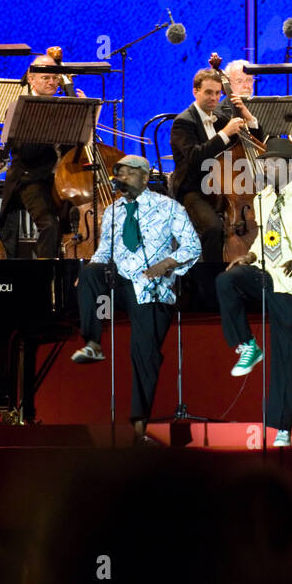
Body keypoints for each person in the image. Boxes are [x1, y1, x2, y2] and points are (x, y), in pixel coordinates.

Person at [70, 155, 201, 444]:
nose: (121, 179)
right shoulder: (114, 211)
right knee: (90, 274)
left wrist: (165, 265)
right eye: (118, 175)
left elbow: (193, 247)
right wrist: (91, 269)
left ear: (144, 177)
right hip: (119, 283)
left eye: (128, 174)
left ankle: (140, 424)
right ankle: (93, 343)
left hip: (151, 286)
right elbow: (105, 250)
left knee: (144, 355)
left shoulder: (168, 208)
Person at [216, 139, 292, 448]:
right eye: (266, 163)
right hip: (263, 275)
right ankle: (246, 345)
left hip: (290, 282)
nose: (267, 168)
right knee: (227, 280)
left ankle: (282, 428)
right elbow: (265, 238)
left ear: (290, 166)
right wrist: (250, 256)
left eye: (273, 163)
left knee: (285, 358)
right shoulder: (262, 198)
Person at [0, 48, 84, 259]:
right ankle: (44, 276)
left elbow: (77, 144)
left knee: (74, 224)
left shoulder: (64, 106)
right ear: (31, 79)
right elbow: (28, 153)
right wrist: (53, 122)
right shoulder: (19, 108)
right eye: (45, 78)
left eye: (56, 78)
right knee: (50, 227)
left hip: (60, 178)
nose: (52, 82)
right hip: (30, 178)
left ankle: (72, 270)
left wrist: (80, 110)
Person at [169, 68, 250, 263]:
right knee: (213, 228)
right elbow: (195, 156)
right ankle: (210, 283)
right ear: (195, 91)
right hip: (193, 190)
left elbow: (251, 142)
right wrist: (224, 134)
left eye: (217, 93)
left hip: (222, 187)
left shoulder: (220, 119)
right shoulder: (183, 122)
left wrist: (247, 116)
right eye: (208, 92)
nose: (214, 98)